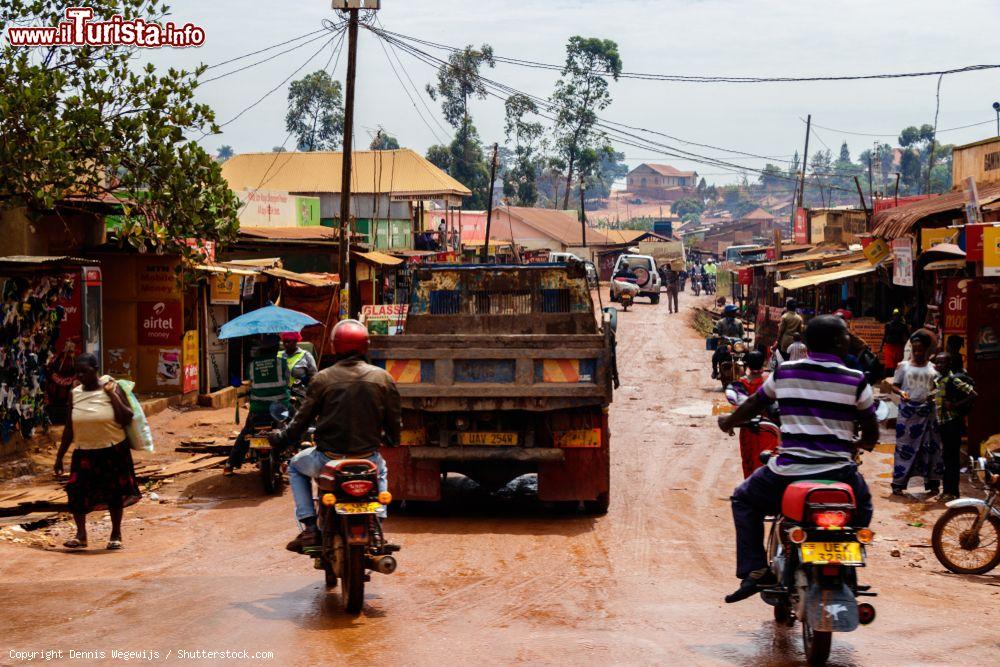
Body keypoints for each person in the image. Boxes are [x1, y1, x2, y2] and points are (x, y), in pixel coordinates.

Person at [717, 315, 878, 602]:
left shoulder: (785, 373)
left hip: (788, 472)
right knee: (862, 505)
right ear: (837, 342)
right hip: (841, 474)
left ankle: (755, 570)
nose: (848, 341)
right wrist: (858, 442)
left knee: (743, 499)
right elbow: (872, 434)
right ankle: (848, 550)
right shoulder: (856, 380)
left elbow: (755, 404)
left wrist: (730, 422)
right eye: (845, 336)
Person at [277, 320, 401, 553]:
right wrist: (393, 439)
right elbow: (394, 420)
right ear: (365, 345)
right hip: (367, 459)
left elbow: (300, 420)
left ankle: (310, 527)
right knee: (381, 468)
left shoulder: (322, 379)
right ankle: (375, 525)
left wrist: (282, 438)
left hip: (328, 459)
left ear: (335, 347)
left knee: (294, 466)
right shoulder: (383, 378)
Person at [53, 353, 140, 550]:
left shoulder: (112, 387)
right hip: (84, 452)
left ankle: (116, 534)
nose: (80, 376)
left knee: (114, 494)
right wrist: (59, 457)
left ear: (95, 369)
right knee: (75, 490)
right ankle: (81, 535)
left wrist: (111, 395)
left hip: (112, 450)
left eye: (84, 371)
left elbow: (126, 417)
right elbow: (69, 428)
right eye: (77, 372)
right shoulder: (74, 393)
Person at [224, 338, 291, 476]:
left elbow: (251, 382)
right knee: (293, 427)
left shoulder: (252, 366)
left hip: (258, 409)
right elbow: (286, 381)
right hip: (279, 408)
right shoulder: (282, 363)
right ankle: (291, 455)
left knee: (246, 433)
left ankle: (230, 464)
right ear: (275, 350)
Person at [890, 329, 942, 496]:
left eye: (921, 350)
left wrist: (933, 395)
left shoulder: (934, 368)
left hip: (928, 414)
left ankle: (933, 483)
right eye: (915, 349)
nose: (918, 353)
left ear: (927, 349)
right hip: (907, 414)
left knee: (930, 447)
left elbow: (937, 388)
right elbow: (894, 385)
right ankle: (898, 484)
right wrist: (900, 393)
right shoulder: (902, 367)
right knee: (905, 448)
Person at [932, 352, 976, 502]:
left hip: (952, 424)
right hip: (943, 424)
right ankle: (947, 491)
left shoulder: (953, 379)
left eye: (942, 363)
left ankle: (953, 492)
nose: (938, 365)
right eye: (937, 362)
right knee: (946, 457)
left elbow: (973, 394)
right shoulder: (939, 380)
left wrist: (955, 405)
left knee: (952, 459)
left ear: (949, 364)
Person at [724, 351, 773, 479]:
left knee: (748, 460)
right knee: (764, 460)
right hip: (767, 429)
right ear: (763, 363)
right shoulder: (769, 380)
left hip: (747, 429)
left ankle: (749, 487)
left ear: (747, 364)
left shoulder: (741, 382)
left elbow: (736, 409)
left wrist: (731, 425)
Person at [712, 304, 745, 379]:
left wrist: (744, 338)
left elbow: (742, 333)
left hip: (737, 345)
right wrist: (716, 335)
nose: (735, 313)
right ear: (728, 313)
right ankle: (715, 371)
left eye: (735, 312)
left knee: (747, 353)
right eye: (733, 312)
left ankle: (750, 367)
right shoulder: (720, 322)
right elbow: (716, 332)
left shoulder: (739, 322)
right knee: (715, 356)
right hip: (725, 344)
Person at [880, 309, 910, 375]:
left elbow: (908, 336)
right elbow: (885, 335)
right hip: (889, 346)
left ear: (899, 316)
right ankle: (887, 378)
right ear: (893, 316)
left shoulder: (903, 326)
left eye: (897, 315)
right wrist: (881, 347)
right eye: (895, 315)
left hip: (898, 346)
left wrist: (907, 345)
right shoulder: (888, 325)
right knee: (889, 364)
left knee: (897, 364)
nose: (896, 317)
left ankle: (896, 377)